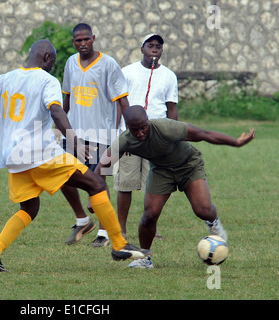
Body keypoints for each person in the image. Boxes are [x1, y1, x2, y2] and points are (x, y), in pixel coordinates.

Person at [0, 39, 151, 272]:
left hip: (13, 157)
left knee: (30, 208)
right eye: (53, 61)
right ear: (46, 58)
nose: (52, 66)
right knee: (97, 184)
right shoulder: (47, 80)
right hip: (41, 152)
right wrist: (74, 140)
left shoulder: (4, 79)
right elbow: (56, 110)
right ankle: (118, 245)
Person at [94, 105, 255, 269]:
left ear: (148, 121)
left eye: (143, 127)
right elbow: (102, 166)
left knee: (203, 210)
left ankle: (214, 223)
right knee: (150, 214)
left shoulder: (166, 127)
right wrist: (94, 196)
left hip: (189, 165)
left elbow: (204, 134)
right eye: (135, 130)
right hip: (161, 171)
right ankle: (144, 258)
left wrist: (236, 142)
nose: (140, 133)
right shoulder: (126, 140)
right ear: (128, 127)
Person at [61, 23, 130, 247]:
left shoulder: (109, 64)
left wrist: (130, 130)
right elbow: (66, 100)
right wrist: (60, 125)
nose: (83, 44)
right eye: (78, 40)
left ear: (94, 38)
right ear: (74, 42)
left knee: (98, 182)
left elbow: (122, 99)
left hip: (101, 134)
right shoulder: (71, 63)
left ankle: (104, 233)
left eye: (86, 39)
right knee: (61, 176)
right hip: (74, 134)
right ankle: (82, 219)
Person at [114, 33, 178, 239]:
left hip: (156, 136)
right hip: (131, 135)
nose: (154, 49)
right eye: (150, 45)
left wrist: (173, 136)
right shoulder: (127, 72)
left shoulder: (169, 76)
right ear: (142, 49)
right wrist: (119, 132)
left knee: (155, 185)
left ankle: (151, 227)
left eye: (158, 46)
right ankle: (121, 229)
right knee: (125, 183)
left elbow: (172, 109)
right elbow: (119, 103)